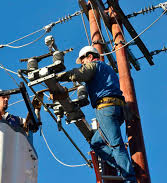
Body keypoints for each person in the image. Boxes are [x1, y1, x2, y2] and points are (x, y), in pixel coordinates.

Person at [56, 46, 137, 183]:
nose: (82, 62)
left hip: (106, 109)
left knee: (116, 145)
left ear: (90, 56)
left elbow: (81, 74)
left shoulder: (95, 65)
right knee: (96, 143)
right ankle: (124, 166)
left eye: (82, 59)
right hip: (116, 109)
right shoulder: (106, 69)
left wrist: (59, 76)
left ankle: (130, 178)